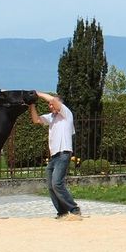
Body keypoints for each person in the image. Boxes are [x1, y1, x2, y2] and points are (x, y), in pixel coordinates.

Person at [29, 91, 82, 220]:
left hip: (64, 153)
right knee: (51, 186)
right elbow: (36, 120)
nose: (50, 106)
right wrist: (32, 105)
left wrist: (38, 94)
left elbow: (53, 100)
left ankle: (74, 209)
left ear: (59, 104)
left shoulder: (66, 114)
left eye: (52, 104)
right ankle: (62, 212)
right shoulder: (51, 117)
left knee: (57, 183)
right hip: (54, 156)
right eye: (49, 105)